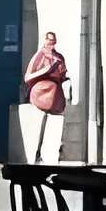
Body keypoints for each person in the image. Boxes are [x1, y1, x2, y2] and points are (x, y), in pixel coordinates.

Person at [21, 31, 69, 162]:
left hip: (56, 94)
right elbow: (27, 77)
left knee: (57, 122)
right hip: (41, 92)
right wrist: (45, 70)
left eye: (53, 41)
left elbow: (63, 75)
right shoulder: (40, 55)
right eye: (49, 41)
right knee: (42, 121)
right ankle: (37, 152)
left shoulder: (59, 57)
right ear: (45, 40)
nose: (51, 44)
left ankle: (55, 152)